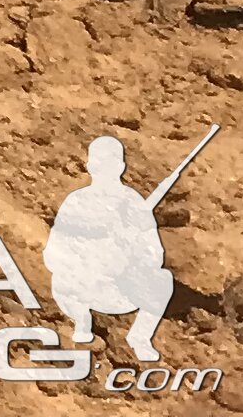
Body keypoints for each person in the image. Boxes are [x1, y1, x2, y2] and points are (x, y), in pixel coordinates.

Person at [44, 135, 179, 361]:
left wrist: (130, 249)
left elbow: (154, 255)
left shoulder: (134, 203)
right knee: (63, 278)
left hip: (119, 290)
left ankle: (140, 337)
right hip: (80, 288)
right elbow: (53, 254)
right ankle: (81, 321)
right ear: (90, 166)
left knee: (162, 280)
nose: (103, 171)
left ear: (121, 167)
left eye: (109, 164)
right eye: (99, 164)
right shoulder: (76, 201)